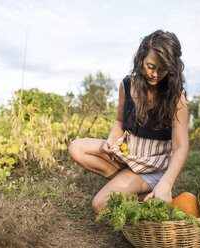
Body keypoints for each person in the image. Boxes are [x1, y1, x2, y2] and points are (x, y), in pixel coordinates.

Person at [68, 30, 188, 214]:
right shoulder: (127, 85)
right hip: (130, 157)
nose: (155, 74)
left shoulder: (175, 97)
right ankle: (134, 190)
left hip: (153, 167)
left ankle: (150, 186)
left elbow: (180, 147)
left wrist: (167, 182)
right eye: (150, 66)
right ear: (140, 59)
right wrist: (112, 138)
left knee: (99, 205)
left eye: (162, 69)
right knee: (76, 148)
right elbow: (119, 121)